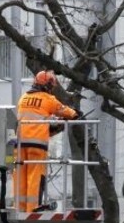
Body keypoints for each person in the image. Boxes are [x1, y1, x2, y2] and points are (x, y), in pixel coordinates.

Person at [14, 71, 80, 212]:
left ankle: (20, 208)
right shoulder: (48, 99)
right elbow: (66, 112)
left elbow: (33, 119)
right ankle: (33, 207)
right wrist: (75, 113)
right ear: (48, 85)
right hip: (37, 145)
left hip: (19, 144)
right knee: (35, 175)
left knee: (20, 176)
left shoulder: (23, 99)